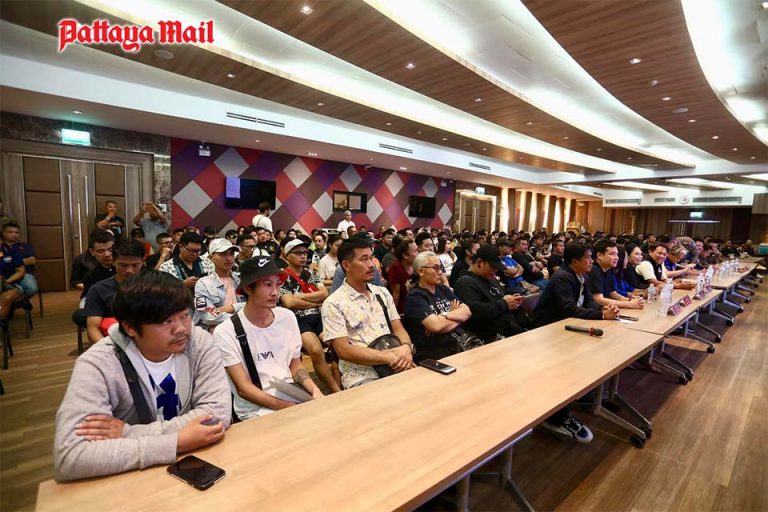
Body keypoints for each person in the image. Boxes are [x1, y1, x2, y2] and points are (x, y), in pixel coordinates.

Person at [53, 271, 231, 481]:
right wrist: (176, 442)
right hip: (131, 478)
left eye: (185, 315)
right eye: (166, 321)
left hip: (196, 462)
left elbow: (217, 415)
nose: (181, 329)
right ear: (130, 327)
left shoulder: (199, 341)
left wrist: (127, 433)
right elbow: (71, 456)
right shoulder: (98, 363)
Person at [214, 257, 323, 420]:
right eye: (267, 285)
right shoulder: (226, 331)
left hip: (290, 393)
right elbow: (244, 389)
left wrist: (315, 390)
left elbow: (295, 366)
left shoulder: (287, 317)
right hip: (255, 408)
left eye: (278, 284)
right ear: (248, 289)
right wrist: (290, 408)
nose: (275, 292)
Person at [321, 236, 415, 389]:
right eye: (364, 259)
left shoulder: (382, 293)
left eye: (371, 258)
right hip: (362, 375)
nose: (371, 264)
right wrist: (388, 357)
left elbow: (398, 328)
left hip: (396, 364)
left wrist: (406, 347)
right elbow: (343, 350)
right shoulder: (333, 303)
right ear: (346, 265)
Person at [278, 239, 340, 393]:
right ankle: (334, 389)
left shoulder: (310, 273)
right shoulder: (282, 276)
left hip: (320, 317)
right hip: (299, 320)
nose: (303, 256)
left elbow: (324, 294)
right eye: (298, 253)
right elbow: (289, 303)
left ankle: (340, 385)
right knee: (316, 350)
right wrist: (315, 301)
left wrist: (298, 296)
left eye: (305, 253)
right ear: (287, 255)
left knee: (337, 345)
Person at [404, 252, 472, 363]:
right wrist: (457, 316)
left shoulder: (443, 289)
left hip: (460, 344)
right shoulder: (415, 297)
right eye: (435, 268)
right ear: (421, 271)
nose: (440, 272)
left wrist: (443, 316)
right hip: (435, 354)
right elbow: (435, 326)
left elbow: (467, 311)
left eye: (440, 268)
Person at [533, 243, 619, 327]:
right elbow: (569, 309)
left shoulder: (583, 274)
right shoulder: (562, 277)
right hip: (549, 324)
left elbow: (588, 301)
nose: (592, 261)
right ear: (575, 261)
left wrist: (602, 308)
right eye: (588, 257)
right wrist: (602, 314)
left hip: (568, 320)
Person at [453, 245, 525, 342]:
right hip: (492, 336)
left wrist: (511, 300)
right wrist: (504, 303)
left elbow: (499, 297)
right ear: (479, 263)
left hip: (510, 327)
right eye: (492, 267)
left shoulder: (489, 277)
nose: (495, 271)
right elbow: (475, 312)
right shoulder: (464, 283)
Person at [84, 240, 145, 344]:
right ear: (113, 262)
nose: (129, 270)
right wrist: (109, 350)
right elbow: (93, 329)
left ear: (142, 262)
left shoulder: (152, 287)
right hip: (113, 342)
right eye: (123, 265)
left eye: (135, 265)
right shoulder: (98, 290)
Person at [193, 239, 244, 330]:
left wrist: (233, 308)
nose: (229, 258)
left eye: (231, 254)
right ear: (210, 257)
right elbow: (206, 315)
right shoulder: (203, 283)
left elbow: (256, 304)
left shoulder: (242, 279)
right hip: (217, 331)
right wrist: (241, 318)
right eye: (223, 254)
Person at [588, 240, 644, 310]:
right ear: (599, 255)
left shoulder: (609, 269)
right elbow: (598, 299)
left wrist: (630, 300)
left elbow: (613, 293)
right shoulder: (593, 270)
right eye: (612, 254)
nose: (617, 257)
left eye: (617, 254)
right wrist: (629, 304)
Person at [1, 222, 38, 298]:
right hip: (3, 274)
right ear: (4, 233)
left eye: (16, 232)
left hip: (24, 274)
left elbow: (32, 261)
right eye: (10, 232)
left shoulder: (26, 246)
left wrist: (10, 261)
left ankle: (19, 300)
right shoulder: (1, 246)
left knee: (32, 288)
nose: (14, 234)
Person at [388, 239, 418, 314]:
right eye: (415, 251)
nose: (418, 254)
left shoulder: (416, 265)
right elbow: (396, 296)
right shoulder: (395, 268)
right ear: (405, 255)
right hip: (404, 311)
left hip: (418, 305)